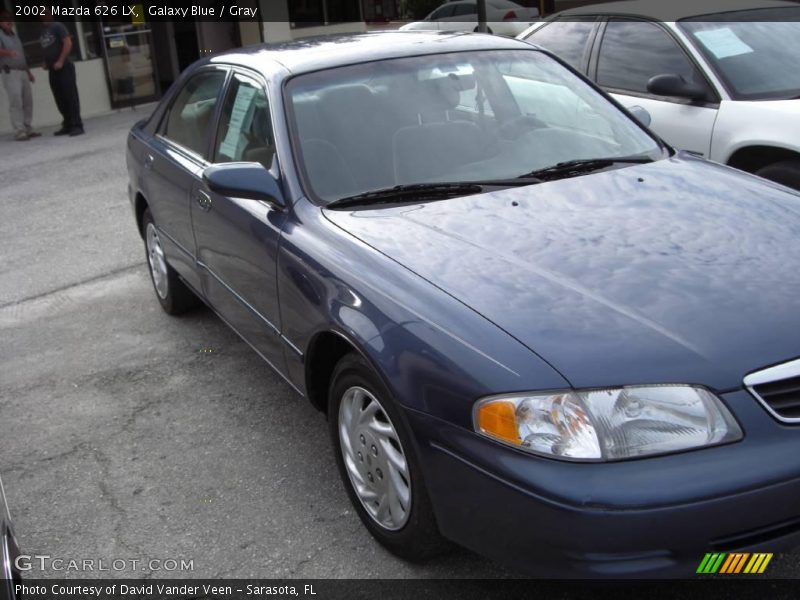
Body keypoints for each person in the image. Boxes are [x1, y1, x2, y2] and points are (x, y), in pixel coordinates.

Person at [40, 10, 83, 136]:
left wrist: (61, 60)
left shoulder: (58, 26)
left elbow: (68, 43)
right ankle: (68, 124)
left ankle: (77, 125)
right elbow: (47, 49)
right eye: (41, 15)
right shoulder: (43, 32)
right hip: (52, 69)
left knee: (70, 96)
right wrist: (45, 62)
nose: (43, 17)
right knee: (59, 98)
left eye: (45, 14)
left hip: (64, 67)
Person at [0, 10, 40, 141]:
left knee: (27, 101)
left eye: (9, 19)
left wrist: (28, 73)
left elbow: (22, 55)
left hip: (22, 70)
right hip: (10, 72)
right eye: (5, 19)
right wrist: (8, 53)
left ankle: (28, 127)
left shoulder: (14, 36)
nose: (8, 21)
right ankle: (19, 130)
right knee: (16, 101)